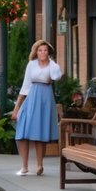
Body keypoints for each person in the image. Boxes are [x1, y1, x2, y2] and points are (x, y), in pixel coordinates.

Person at [11, 39, 62, 176]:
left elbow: (56, 76)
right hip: (31, 97)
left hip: (45, 98)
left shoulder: (52, 66)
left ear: (48, 52)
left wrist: (51, 63)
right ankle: (24, 166)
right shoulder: (31, 65)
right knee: (22, 131)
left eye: (45, 50)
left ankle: (40, 165)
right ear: (36, 52)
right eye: (40, 50)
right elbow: (25, 86)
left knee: (40, 133)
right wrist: (16, 109)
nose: (43, 53)